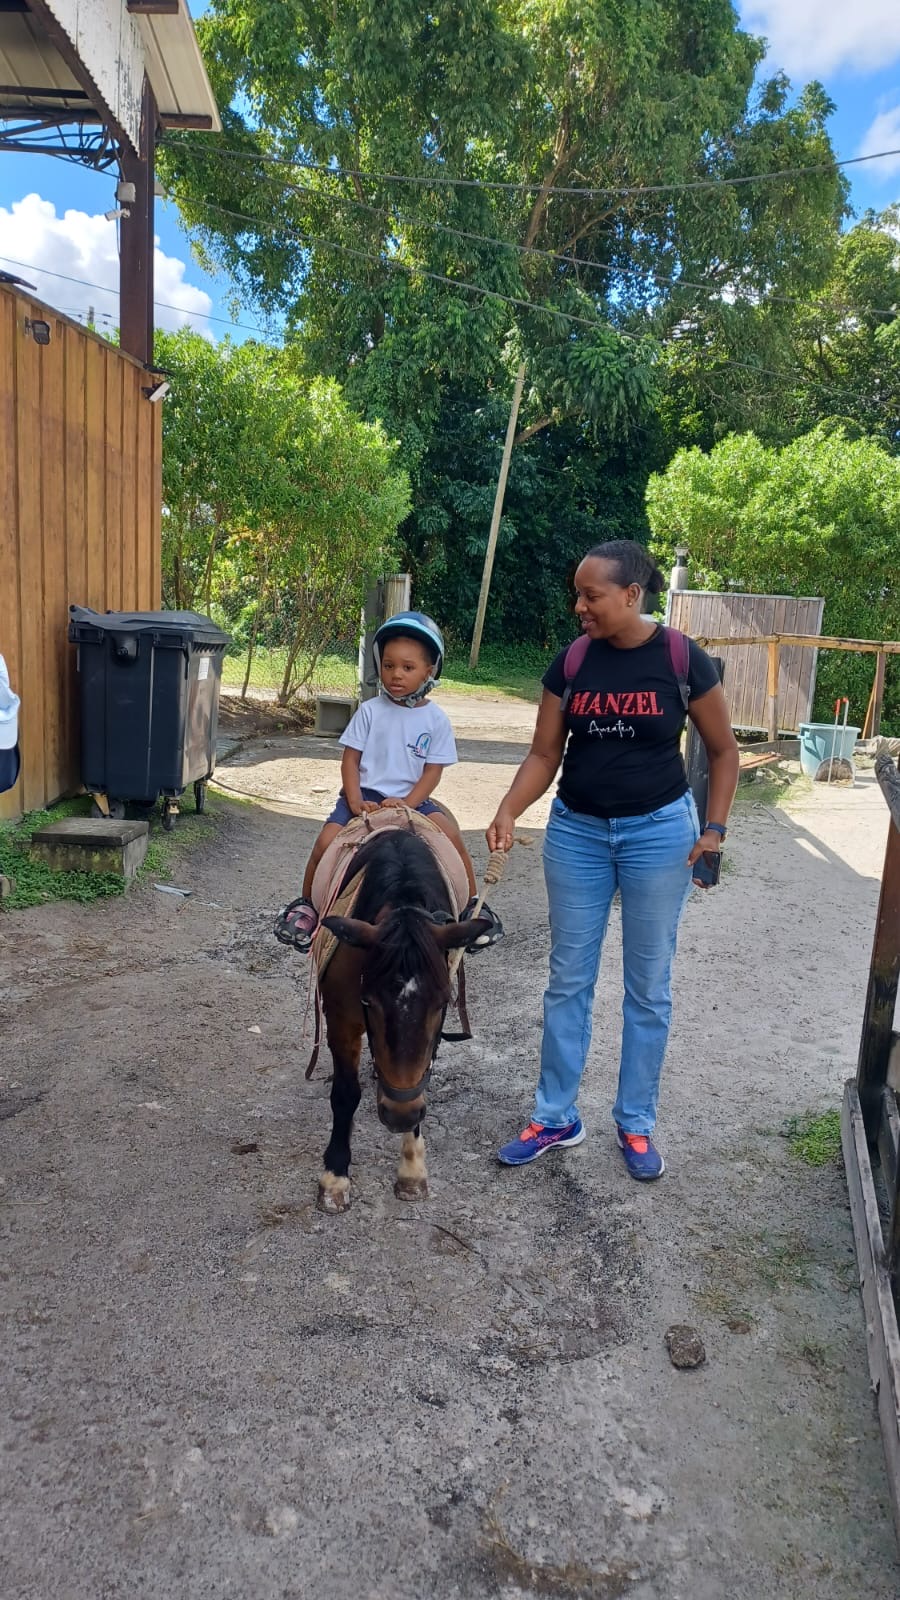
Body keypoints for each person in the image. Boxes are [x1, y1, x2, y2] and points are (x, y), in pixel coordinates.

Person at [486, 540, 739, 1181]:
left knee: (647, 988)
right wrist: (509, 809)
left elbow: (723, 751)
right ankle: (555, 1116)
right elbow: (545, 754)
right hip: (578, 833)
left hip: (660, 833)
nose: (579, 606)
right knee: (567, 980)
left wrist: (713, 830)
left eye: (591, 595)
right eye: (578, 594)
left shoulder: (681, 658)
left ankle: (635, 1123)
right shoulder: (572, 662)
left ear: (632, 594)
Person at [276, 611, 503, 951]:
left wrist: (410, 803)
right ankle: (307, 905)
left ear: (430, 671)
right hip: (365, 795)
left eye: (408, 667)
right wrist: (354, 800)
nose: (396, 674)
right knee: (326, 841)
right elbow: (351, 760)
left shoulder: (436, 720)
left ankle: (471, 905)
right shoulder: (370, 711)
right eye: (388, 665)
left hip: (414, 800)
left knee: (452, 835)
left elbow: (432, 771)